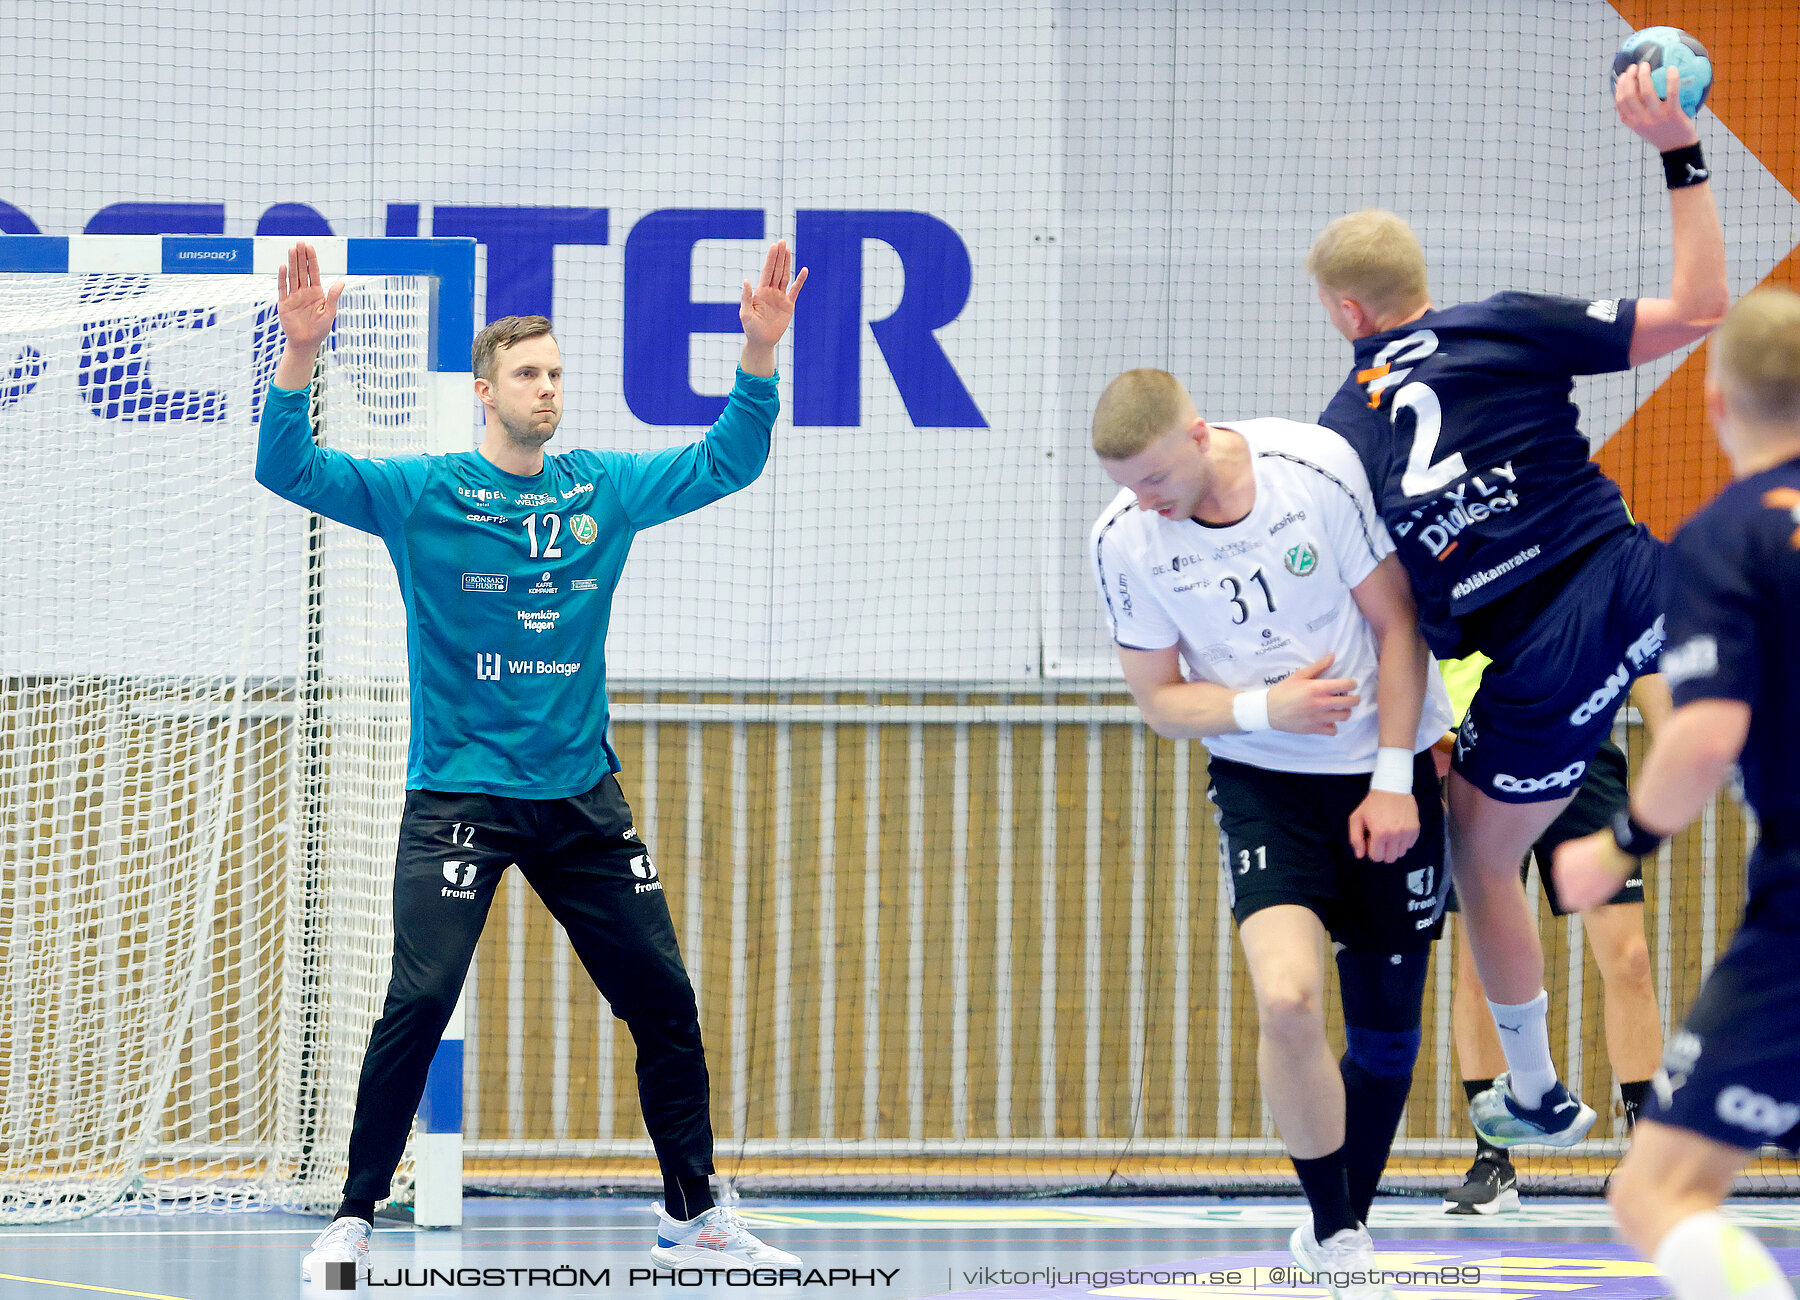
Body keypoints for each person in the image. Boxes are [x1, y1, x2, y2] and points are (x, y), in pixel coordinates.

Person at [257, 240, 809, 1284]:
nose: (547, 388)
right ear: (484, 391)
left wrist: (758, 352)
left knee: (665, 1001)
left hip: (580, 801)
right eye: (527, 373)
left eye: (557, 373)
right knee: (417, 1002)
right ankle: (354, 1217)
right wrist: (298, 357)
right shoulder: (423, 495)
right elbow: (287, 468)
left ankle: (692, 1214)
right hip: (460, 797)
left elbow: (729, 458)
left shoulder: (602, 489)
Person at [1307, 59, 1728, 1149]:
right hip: (1643, 574)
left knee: (1486, 858)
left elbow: (1392, 619)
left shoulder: (1335, 444)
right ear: (1422, 283)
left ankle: (1537, 1091)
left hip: (1540, 657)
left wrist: (1407, 748)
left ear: (1346, 313)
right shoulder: (1503, 322)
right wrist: (1680, 151)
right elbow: (1702, 309)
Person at [1090, 368, 1453, 1300]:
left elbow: (1398, 623)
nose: (1145, 502)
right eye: (1128, 486)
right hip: (1264, 779)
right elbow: (1162, 702)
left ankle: (1345, 1220)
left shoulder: (1311, 468)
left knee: (1384, 1044)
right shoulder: (1125, 540)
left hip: (1388, 770)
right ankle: (1336, 1236)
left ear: (1199, 435)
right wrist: (1265, 706)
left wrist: (1392, 779)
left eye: (1156, 481)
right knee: (1287, 999)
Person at [1555, 286, 1800, 1300]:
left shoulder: (1726, 535)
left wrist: (1618, 846)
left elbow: (1702, 734)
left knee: (1656, 1188)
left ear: (1716, 402)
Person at [1436, 660, 1667, 1214]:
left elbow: (1635, 634)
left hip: (1580, 750)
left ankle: (1650, 1156)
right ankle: (1494, 1159)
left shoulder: (1590, 571)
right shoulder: (1456, 572)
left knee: (1630, 958)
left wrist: (1679, 744)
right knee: (1478, 966)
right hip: (1474, 756)